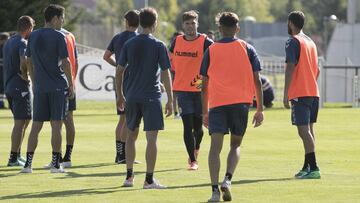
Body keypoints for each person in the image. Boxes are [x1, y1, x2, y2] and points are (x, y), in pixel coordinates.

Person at [200, 12, 264, 202]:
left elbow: (204, 84)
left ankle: (213, 191)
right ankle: (227, 179)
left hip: (218, 104)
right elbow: (257, 80)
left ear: (219, 29)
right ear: (237, 28)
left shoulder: (211, 50)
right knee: (235, 144)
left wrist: (204, 111)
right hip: (241, 103)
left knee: (215, 148)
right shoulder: (247, 48)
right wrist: (260, 109)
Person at [116, 7, 173, 189]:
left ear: (140, 23)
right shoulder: (158, 45)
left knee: (131, 136)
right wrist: (171, 99)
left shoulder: (129, 44)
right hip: (151, 96)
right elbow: (166, 73)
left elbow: (119, 72)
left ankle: (129, 177)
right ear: (155, 23)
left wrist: (120, 95)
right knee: (151, 139)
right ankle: (148, 180)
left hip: (132, 95)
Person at [21, 4, 73, 173]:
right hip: (57, 86)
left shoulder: (33, 35)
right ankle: (56, 164)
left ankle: (28, 165)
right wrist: (71, 83)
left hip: (40, 87)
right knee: (56, 125)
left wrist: (34, 81)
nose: (63, 21)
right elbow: (65, 62)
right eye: (62, 18)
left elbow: (28, 60)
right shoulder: (59, 36)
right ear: (56, 18)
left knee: (36, 126)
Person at [169, 10, 213, 170]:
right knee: (187, 126)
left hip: (200, 91)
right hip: (182, 90)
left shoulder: (206, 42)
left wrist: (207, 80)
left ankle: (196, 148)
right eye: (187, 24)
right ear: (183, 25)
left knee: (199, 129)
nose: (190, 26)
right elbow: (170, 60)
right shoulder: (176, 42)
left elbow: (214, 60)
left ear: (197, 24)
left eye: (193, 23)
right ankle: (193, 160)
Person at [283, 11, 321, 179]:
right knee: (309, 131)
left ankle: (314, 167)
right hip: (313, 91)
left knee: (303, 131)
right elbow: (317, 69)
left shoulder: (293, 41)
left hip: (300, 92)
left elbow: (290, 67)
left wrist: (285, 93)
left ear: (291, 23)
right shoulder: (310, 42)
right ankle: (307, 166)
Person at [103, 10, 140, 164]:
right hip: (133, 82)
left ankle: (120, 154)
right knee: (129, 121)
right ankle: (124, 154)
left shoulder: (117, 37)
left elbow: (106, 56)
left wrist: (118, 66)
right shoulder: (138, 38)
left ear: (126, 22)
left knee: (122, 119)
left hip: (120, 81)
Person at [44, 27, 78, 169]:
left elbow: (65, 61)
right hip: (68, 82)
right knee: (67, 120)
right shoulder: (70, 35)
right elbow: (76, 60)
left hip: (59, 82)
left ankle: (58, 158)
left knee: (58, 122)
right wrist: (73, 82)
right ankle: (66, 157)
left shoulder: (57, 36)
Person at [3, 16, 34, 166]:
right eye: (32, 28)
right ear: (28, 28)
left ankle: (17, 153)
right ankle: (13, 158)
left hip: (9, 86)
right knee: (20, 122)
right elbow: (24, 60)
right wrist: (25, 75)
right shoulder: (22, 42)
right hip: (19, 86)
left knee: (25, 120)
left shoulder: (9, 41)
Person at [168, 31, 183, 119]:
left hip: (182, 74)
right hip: (174, 73)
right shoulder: (171, 49)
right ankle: (176, 113)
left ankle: (181, 112)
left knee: (182, 95)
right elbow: (168, 62)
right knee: (174, 95)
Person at [0, 32, 10, 109]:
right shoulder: (5, 47)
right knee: (2, 88)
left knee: (3, 88)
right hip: (3, 70)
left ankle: (2, 104)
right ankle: (2, 104)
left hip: (4, 70)